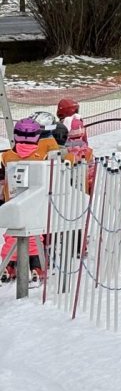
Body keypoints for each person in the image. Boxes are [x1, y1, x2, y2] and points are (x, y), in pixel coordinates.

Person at [1, 118, 54, 283]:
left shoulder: (7, 156)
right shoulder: (42, 156)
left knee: (11, 234)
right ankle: (36, 265)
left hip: (12, 202)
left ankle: (8, 265)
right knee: (35, 234)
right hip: (35, 202)